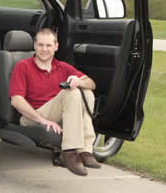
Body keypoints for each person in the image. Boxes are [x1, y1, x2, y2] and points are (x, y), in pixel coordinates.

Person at [8, 28, 99, 176]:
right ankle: (68, 151)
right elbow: (16, 101)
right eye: (41, 45)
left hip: (57, 114)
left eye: (49, 45)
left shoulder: (63, 67)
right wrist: (43, 120)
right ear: (35, 45)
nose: (44, 49)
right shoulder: (23, 66)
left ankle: (85, 150)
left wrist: (79, 81)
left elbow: (92, 83)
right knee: (71, 92)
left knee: (86, 92)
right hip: (32, 116)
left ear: (56, 46)